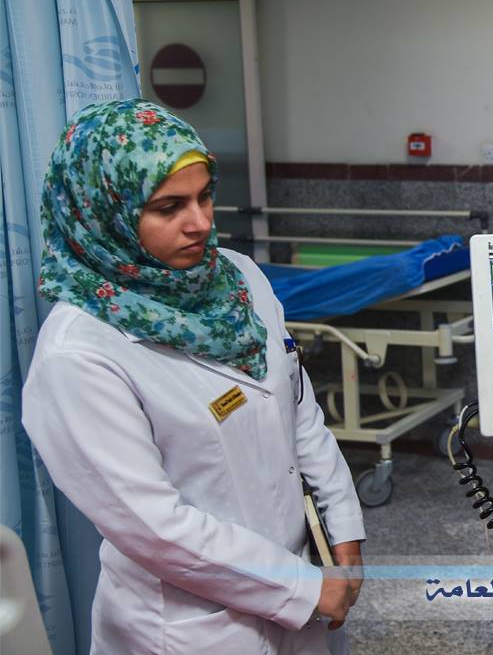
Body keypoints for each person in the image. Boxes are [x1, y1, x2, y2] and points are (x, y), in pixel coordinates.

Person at [22, 100, 367, 654]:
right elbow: (153, 526)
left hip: (303, 589)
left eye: (204, 196)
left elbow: (297, 411)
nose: (201, 223)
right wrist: (301, 588)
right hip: (192, 627)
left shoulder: (239, 279)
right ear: (103, 213)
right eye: (169, 207)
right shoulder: (79, 354)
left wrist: (342, 524)